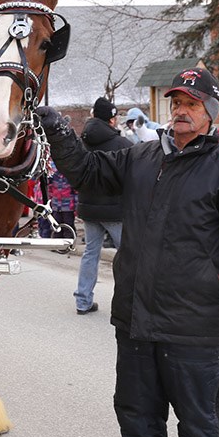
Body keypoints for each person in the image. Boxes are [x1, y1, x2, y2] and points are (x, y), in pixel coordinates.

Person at [37, 67, 219, 437]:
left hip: (194, 322)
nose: (181, 112)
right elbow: (88, 173)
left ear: (211, 112)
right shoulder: (141, 157)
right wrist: (60, 132)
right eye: (176, 104)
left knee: (199, 414)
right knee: (135, 405)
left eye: (191, 104)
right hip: (135, 314)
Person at [73, 97, 131, 316]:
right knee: (127, 255)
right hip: (115, 208)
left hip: (88, 207)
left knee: (90, 253)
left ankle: (83, 300)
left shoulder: (83, 141)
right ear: (112, 120)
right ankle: (128, 303)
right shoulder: (122, 145)